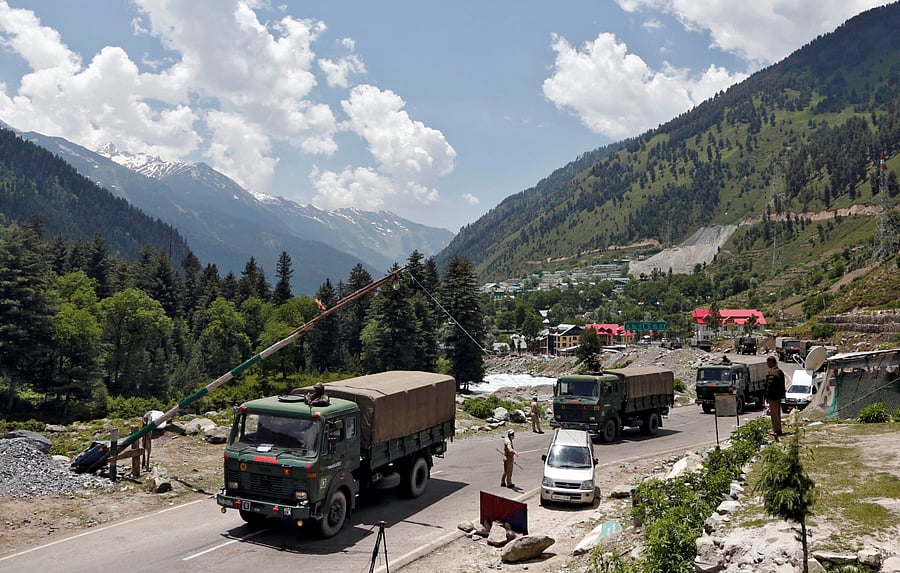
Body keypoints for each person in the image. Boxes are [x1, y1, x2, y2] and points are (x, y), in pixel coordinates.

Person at [765, 356, 786, 436]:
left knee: (774, 414)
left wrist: (767, 396)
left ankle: (777, 430)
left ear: (772, 362)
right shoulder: (777, 371)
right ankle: (777, 429)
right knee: (776, 414)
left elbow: (770, 386)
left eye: (768, 362)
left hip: (773, 397)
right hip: (776, 396)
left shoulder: (775, 372)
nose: (767, 364)